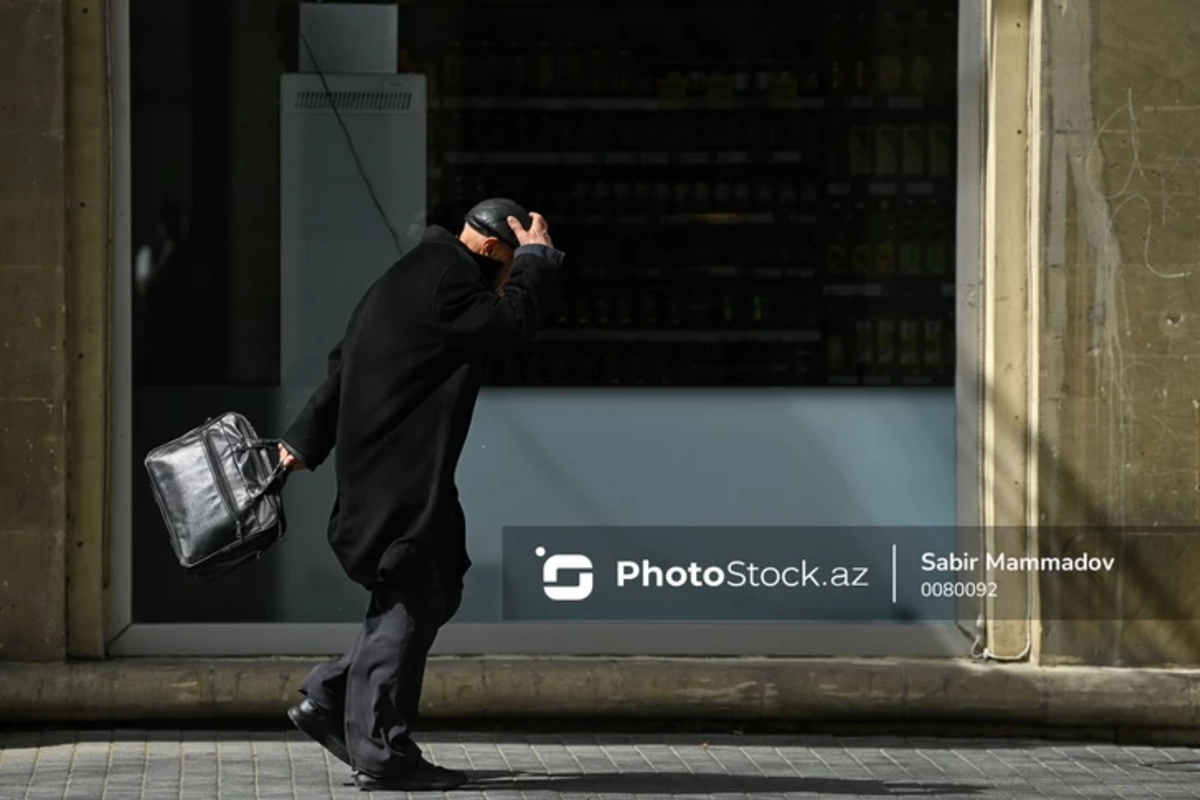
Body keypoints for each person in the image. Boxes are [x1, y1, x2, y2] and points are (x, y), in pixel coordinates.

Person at [276, 199, 563, 792]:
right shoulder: (449, 283)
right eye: (510, 267)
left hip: (391, 468)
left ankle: (331, 695)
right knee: (409, 590)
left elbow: (343, 361)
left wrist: (303, 440)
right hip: (398, 474)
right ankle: (382, 751)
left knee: (435, 582)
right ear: (492, 251)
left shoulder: (414, 274)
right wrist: (540, 261)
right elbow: (509, 327)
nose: (509, 283)